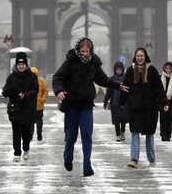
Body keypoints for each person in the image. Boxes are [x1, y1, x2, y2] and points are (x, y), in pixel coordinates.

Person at [53, 37, 129, 177]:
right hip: (72, 104)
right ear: (78, 50)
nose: (85, 54)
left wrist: (117, 85)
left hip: (86, 103)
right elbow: (57, 77)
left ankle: (87, 166)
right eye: (82, 51)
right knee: (71, 135)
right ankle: (68, 157)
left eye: (87, 51)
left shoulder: (94, 63)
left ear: (91, 51)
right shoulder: (70, 61)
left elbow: (103, 79)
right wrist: (59, 90)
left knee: (87, 135)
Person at [120, 47, 169, 169]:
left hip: (150, 108)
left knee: (149, 134)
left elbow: (159, 89)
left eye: (142, 56)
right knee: (135, 132)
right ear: (135, 57)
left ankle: (152, 159)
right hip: (135, 107)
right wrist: (121, 101)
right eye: (138, 56)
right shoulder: (130, 71)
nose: (140, 58)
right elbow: (125, 87)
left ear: (145, 57)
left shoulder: (152, 71)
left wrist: (164, 102)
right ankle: (134, 159)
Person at [2, 52, 39, 162]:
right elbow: (5, 92)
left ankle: (26, 149)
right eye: (19, 65)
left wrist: (25, 95)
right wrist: (10, 91)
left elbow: (35, 90)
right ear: (16, 65)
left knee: (26, 132)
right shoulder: (11, 77)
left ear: (26, 65)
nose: (21, 66)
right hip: (15, 109)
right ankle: (17, 153)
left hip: (28, 108)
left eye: (23, 64)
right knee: (16, 132)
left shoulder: (32, 77)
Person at [103, 61, 129, 142]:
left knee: (124, 119)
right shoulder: (112, 79)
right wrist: (106, 100)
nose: (118, 71)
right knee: (116, 119)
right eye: (117, 70)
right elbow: (109, 92)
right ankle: (117, 134)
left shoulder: (126, 79)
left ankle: (122, 131)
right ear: (114, 70)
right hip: (114, 102)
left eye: (120, 70)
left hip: (124, 102)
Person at [30, 66, 49, 141]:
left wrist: (42, 100)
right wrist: (43, 99)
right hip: (38, 106)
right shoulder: (42, 81)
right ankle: (39, 135)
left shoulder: (28, 81)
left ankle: (31, 136)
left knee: (31, 122)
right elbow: (46, 91)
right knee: (39, 121)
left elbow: (45, 91)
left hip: (32, 106)